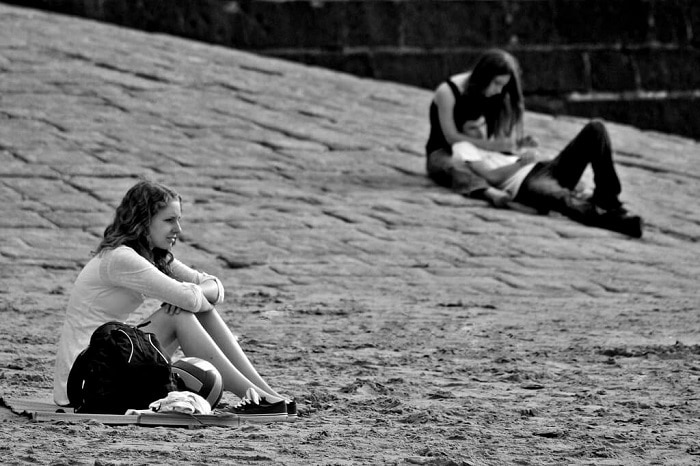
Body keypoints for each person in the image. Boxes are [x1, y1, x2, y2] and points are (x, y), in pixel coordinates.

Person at [53, 180, 294, 418]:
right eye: (169, 220)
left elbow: (215, 287)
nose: (178, 229)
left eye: (178, 219)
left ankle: (266, 394)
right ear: (143, 222)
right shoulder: (120, 258)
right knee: (178, 314)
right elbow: (190, 298)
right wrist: (189, 294)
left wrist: (190, 293)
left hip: (114, 359)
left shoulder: (152, 255)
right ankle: (252, 395)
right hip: (88, 377)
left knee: (196, 309)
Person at [426, 49, 643, 238]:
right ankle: (616, 222)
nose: (480, 126)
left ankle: (609, 199)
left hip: (540, 170)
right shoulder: (462, 139)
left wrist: (518, 146)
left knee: (596, 128)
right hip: (523, 182)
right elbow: (464, 148)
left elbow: (503, 148)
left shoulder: (488, 140)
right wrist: (516, 162)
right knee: (564, 201)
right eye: (497, 84)